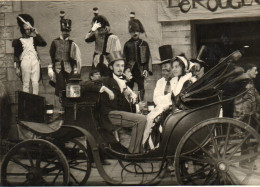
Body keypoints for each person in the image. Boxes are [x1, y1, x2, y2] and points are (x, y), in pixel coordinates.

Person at [142, 45, 192, 149]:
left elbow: (175, 97)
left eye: (168, 70)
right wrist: (167, 98)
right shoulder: (160, 82)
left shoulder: (176, 80)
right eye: (163, 70)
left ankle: (159, 146)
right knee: (148, 119)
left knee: (157, 121)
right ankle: (149, 146)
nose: (165, 72)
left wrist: (166, 99)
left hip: (171, 107)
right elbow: (156, 98)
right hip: (161, 107)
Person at [100, 51, 146, 154]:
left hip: (116, 112)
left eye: (122, 66)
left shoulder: (122, 82)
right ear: (111, 67)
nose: (120, 68)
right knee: (141, 120)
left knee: (142, 119)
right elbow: (120, 104)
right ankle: (134, 152)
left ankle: (136, 150)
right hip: (109, 115)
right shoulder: (108, 81)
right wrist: (136, 108)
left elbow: (123, 103)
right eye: (117, 66)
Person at [48, 11, 82, 96]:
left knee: (71, 85)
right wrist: (50, 68)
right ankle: (62, 105)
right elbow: (51, 55)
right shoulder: (55, 42)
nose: (66, 33)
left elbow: (74, 56)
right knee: (61, 86)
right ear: (61, 31)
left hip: (68, 67)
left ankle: (70, 105)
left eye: (68, 31)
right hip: (58, 66)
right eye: (64, 31)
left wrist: (75, 68)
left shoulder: (72, 43)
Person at [12, 14, 47, 95]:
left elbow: (43, 43)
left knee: (35, 83)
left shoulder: (34, 39)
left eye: (29, 28)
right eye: (26, 28)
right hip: (25, 61)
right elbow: (16, 55)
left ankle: (35, 101)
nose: (28, 30)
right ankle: (26, 102)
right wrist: (17, 68)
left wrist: (36, 32)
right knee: (26, 83)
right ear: (23, 29)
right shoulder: (18, 41)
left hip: (35, 61)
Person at [123, 12, 152, 101]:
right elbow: (125, 58)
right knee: (129, 87)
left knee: (141, 86)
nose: (135, 33)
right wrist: (126, 70)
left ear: (139, 32)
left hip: (140, 69)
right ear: (130, 32)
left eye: (136, 31)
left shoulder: (144, 44)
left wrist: (146, 69)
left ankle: (140, 102)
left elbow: (148, 57)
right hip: (130, 69)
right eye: (132, 32)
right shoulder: (127, 44)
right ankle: (131, 103)